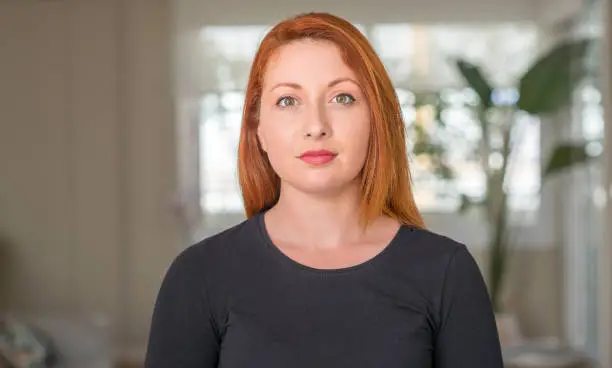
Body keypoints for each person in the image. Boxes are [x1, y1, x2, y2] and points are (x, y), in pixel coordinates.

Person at [144, 12, 503, 368]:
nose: (316, 126)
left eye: (342, 98)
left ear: (376, 120)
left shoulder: (446, 272)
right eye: (288, 100)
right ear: (259, 130)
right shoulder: (199, 276)